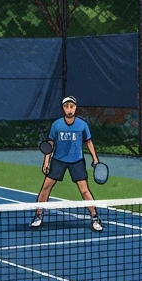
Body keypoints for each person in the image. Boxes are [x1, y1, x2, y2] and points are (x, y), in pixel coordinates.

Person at [31, 96, 102, 232]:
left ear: (75, 107)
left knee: (85, 190)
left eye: (72, 106)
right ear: (63, 108)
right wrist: (46, 161)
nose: (69, 109)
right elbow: (50, 144)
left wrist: (95, 158)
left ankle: (95, 217)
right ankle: (38, 215)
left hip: (77, 161)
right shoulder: (56, 125)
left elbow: (88, 141)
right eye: (66, 106)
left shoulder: (82, 124)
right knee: (46, 187)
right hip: (58, 161)